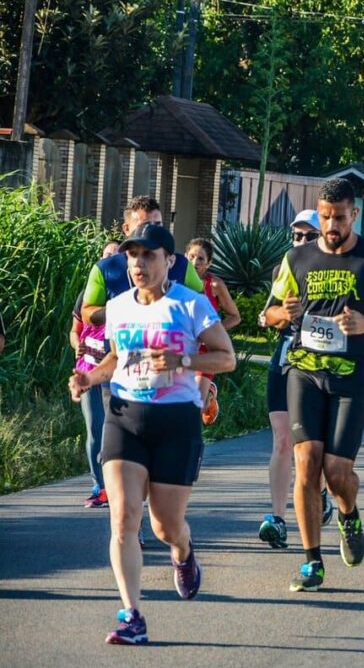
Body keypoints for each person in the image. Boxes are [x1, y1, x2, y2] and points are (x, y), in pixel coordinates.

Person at [67, 223, 236, 644]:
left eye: (148, 255)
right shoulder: (119, 306)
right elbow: (116, 359)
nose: (138, 264)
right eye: (132, 256)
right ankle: (132, 616)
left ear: (169, 261)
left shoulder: (192, 304)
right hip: (125, 417)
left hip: (176, 422)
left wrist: (182, 359)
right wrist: (88, 379)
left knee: (165, 526)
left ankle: (184, 552)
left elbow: (226, 358)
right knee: (123, 518)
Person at [264, 179, 364, 592]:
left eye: (340, 217)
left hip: (353, 375)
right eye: (326, 217)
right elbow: (272, 313)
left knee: (337, 472)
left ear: (354, 215)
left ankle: (348, 513)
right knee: (307, 463)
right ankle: (312, 561)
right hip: (304, 369)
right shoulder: (297, 258)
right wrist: (284, 312)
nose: (332, 225)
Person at [257, 210, 334, 549]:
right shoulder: (284, 267)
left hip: (321, 364)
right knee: (282, 439)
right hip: (286, 357)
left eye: (308, 235)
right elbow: (267, 313)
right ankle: (277, 518)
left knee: (312, 448)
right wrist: (281, 314)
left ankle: (318, 492)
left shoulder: (336, 271)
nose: (301, 242)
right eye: (297, 235)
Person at [80, 196, 204, 328]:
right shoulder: (105, 268)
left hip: (171, 345)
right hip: (122, 345)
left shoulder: (181, 264)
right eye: (145, 226)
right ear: (127, 229)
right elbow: (86, 313)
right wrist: (119, 310)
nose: (153, 231)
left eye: (158, 225)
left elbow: (202, 302)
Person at [71, 240, 121, 508]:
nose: (110, 259)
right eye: (106, 255)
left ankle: (117, 485)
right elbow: (74, 329)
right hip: (89, 365)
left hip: (116, 369)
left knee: (114, 428)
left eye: (116, 255)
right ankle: (99, 485)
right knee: (94, 427)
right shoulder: (88, 295)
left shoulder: (129, 296)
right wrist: (75, 344)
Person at [184, 238, 242, 426]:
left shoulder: (214, 285)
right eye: (191, 257)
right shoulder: (176, 282)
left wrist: (212, 333)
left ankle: (194, 451)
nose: (195, 263)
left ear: (209, 263)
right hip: (182, 348)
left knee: (195, 407)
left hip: (206, 351)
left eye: (200, 259)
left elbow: (235, 316)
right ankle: (210, 393)